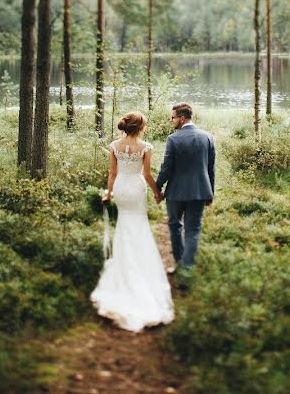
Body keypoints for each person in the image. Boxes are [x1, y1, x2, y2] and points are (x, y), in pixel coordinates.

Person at [90, 112, 174, 332]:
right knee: (138, 226)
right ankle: (140, 268)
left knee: (124, 226)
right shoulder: (146, 147)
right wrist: (157, 192)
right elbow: (146, 175)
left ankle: (123, 269)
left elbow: (112, 172)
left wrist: (108, 193)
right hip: (136, 189)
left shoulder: (114, 146)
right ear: (141, 127)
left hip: (121, 189)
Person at [155, 103, 215, 271]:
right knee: (193, 230)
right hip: (200, 192)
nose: (171, 120)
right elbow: (211, 169)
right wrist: (210, 193)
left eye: (172, 117)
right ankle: (187, 268)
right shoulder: (208, 137)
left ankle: (180, 263)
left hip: (176, 193)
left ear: (182, 118)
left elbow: (166, 168)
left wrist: (157, 188)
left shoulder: (173, 139)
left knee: (174, 226)